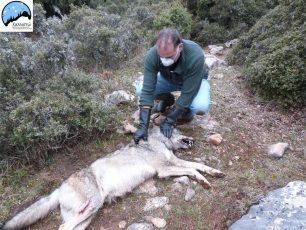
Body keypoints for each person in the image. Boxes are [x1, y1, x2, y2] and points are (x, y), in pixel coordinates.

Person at [133, 28, 210, 143]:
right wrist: (143, 126)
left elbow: (189, 93)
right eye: (161, 57)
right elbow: (147, 89)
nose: (164, 60)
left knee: (200, 105)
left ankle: (186, 110)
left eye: (169, 57)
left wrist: (169, 120)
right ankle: (167, 99)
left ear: (180, 47)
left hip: (194, 80)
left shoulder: (196, 55)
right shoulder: (152, 55)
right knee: (140, 89)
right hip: (168, 79)